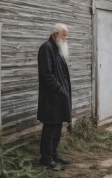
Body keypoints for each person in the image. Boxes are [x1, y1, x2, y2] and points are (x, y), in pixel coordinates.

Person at [37, 23, 72, 170]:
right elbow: (47, 74)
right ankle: (46, 159)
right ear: (55, 34)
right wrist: (60, 89)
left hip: (59, 97)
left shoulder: (57, 48)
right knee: (50, 128)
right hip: (51, 98)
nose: (66, 39)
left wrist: (64, 91)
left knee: (57, 127)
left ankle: (54, 155)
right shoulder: (46, 48)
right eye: (64, 35)